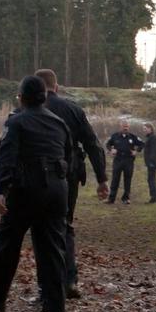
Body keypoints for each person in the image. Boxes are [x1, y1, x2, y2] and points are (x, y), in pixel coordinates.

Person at [0, 75, 72, 312]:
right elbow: (68, 155)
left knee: (8, 241)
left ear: (21, 97)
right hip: (57, 188)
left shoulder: (17, 122)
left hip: (26, 187)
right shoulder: (59, 122)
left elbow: (6, 157)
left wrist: (1, 190)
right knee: (52, 248)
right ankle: (56, 310)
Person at [34, 69, 109, 299]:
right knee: (65, 225)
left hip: (36, 175)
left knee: (41, 229)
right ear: (56, 87)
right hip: (69, 173)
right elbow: (93, 144)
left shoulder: (30, 108)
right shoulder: (73, 110)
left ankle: (47, 285)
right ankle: (69, 279)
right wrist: (102, 179)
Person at [105, 119, 144, 204]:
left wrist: (136, 151)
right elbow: (107, 144)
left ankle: (126, 198)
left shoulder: (133, 137)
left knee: (127, 180)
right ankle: (111, 199)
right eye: (124, 126)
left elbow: (142, 144)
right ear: (120, 126)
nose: (125, 128)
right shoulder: (115, 136)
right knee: (115, 180)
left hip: (128, 161)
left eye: (127, 126)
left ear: (128, 127)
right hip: (118, 160)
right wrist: (111, 150)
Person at [142, 123, 156, 203]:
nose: (144, 130)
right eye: (143, 129)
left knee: (151, 179)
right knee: (152, 179)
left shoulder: (153, 138)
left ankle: (154, 197)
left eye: (145, 128)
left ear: (150, 128)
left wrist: (151, 162)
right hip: (150, 162)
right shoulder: (149, 138)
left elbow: (154, 151)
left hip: (152, 163)